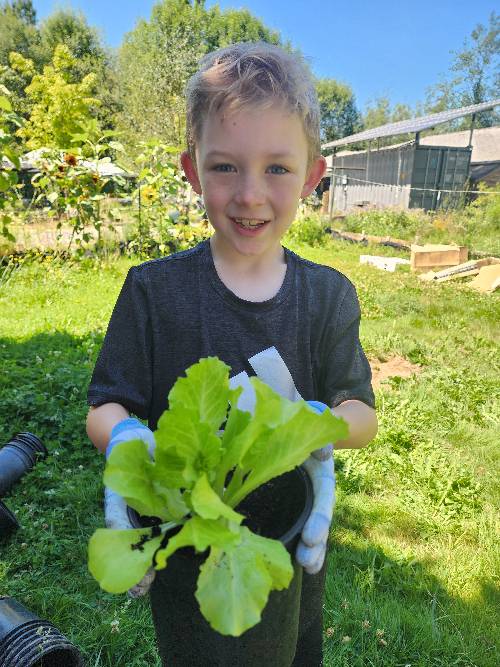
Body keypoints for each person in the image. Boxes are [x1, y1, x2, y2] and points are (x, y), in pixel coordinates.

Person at [86, 41, 377, 666]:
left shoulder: (327, 296)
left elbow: (361, 412)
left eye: (277, 168)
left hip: (284, 544)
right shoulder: (153, 292)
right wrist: (129, 439)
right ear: (193, 171)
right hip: (187, 549)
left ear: (313, 177)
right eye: (225, 168)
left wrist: (310, 429)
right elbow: (106, 406)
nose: (250, 195)